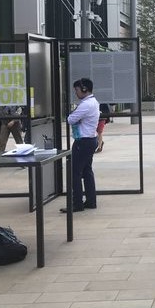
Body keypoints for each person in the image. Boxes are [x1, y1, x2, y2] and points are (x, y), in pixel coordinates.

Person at [61, 78, 100, 213]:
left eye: (77, 90)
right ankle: (91, 200)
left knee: (75, 173)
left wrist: (74, 115)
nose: (76, 93)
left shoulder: (85, 104)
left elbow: (70, 119)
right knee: (87, 171)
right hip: (91, 139)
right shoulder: (93, 102)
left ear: (84, 89)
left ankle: (77, 203)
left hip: (82, 141)